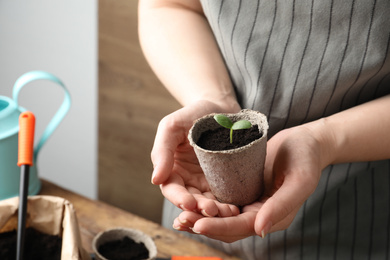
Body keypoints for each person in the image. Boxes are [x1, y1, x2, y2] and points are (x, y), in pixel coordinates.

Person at [138, 0, 390, 259]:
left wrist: (324, 140)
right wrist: (213, 98)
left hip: (349, 221)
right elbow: (171, 5)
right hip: (198, 211)